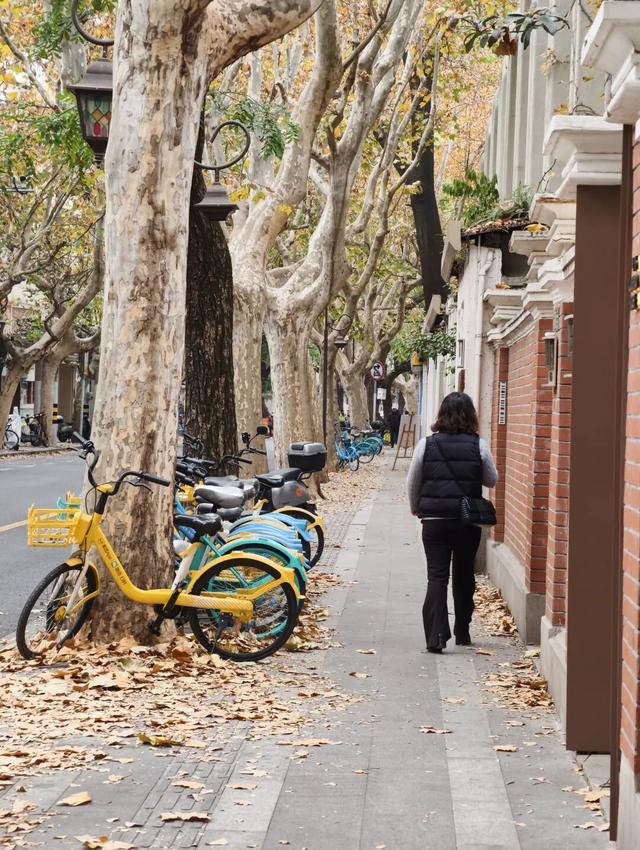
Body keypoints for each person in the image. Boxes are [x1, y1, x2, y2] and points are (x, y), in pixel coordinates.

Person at [407, 392, 498, 653]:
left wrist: (415, 506)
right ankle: (462, 630)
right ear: (471, 415)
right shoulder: (478, 445)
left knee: (437, 576)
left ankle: (436, 636)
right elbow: (491, 479)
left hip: (434, 521)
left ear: (442, 414)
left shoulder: (426, 444)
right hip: (466, 521)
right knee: (464, 573)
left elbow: (413, 480)